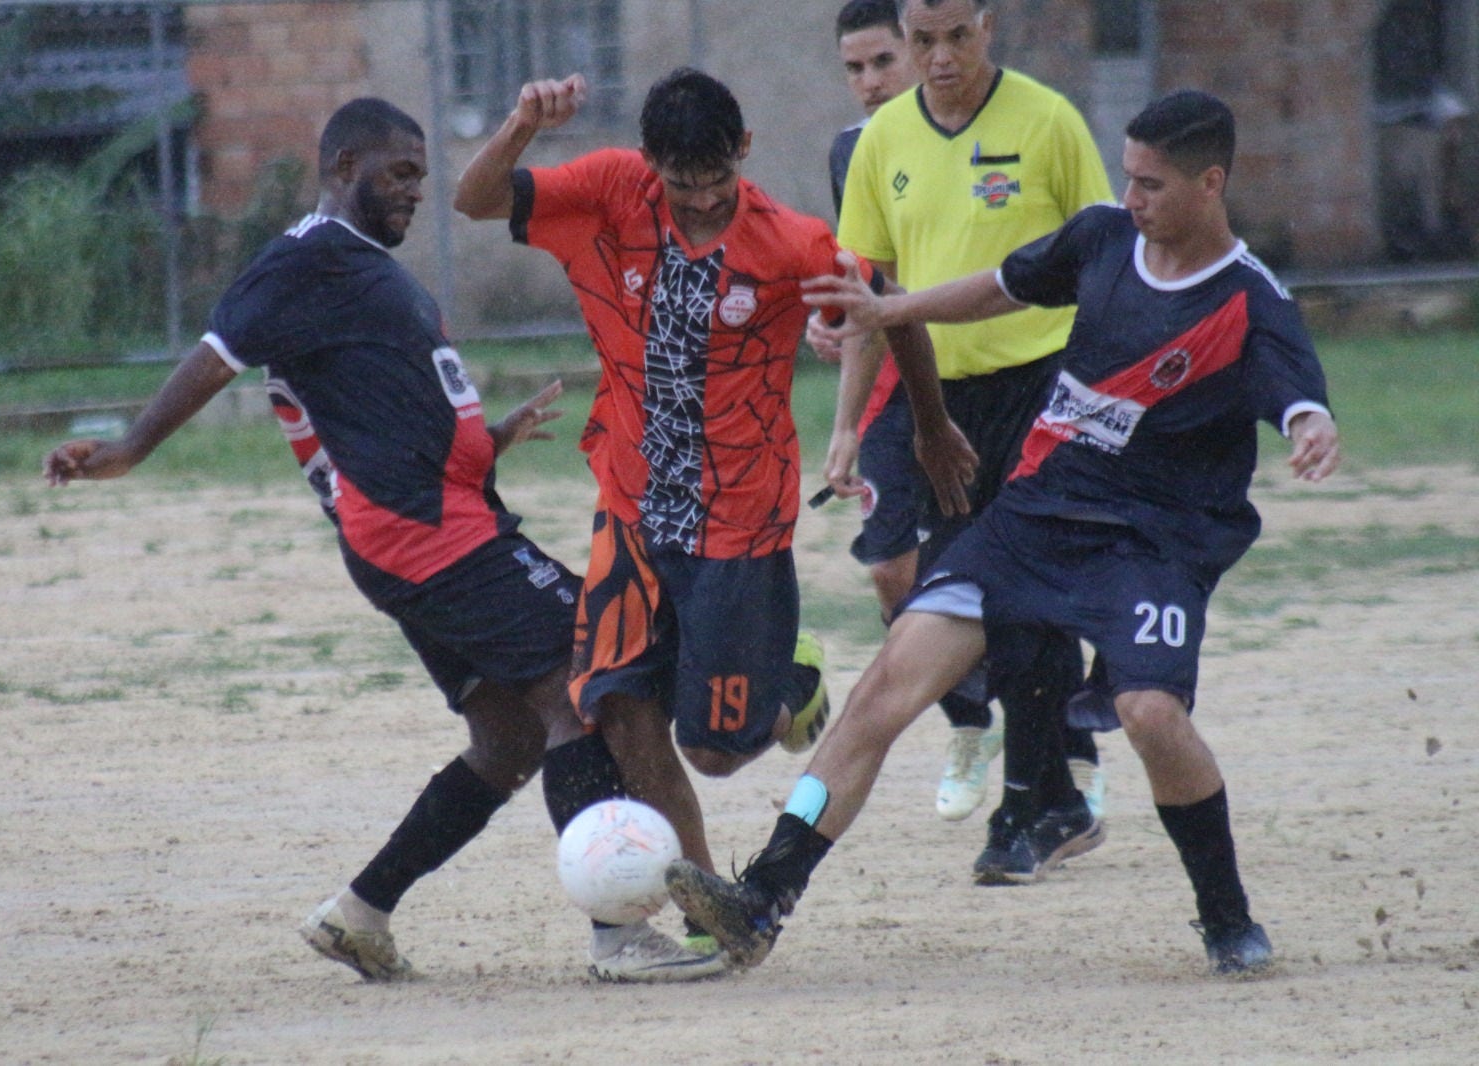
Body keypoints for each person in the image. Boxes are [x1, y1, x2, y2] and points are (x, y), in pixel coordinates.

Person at [43, 97, 727, 984]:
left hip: (426, 530)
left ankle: (360, 913)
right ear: (342, 167)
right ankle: (619, 937)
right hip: (430, 538)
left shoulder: (360, 269)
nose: (414, 190)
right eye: (398, 172)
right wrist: (131, 447)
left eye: (420, 174)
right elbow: (218, 352)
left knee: (508, 740)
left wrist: (489, 439)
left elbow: (386, 410)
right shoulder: (307, 259)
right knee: (580, 681)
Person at [667, 89, 1342, 977]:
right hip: (1031, 521)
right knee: (884, 689)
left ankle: (1228, 918)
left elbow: (1300, 395)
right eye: (1129, 177)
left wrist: (1310, 426)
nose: (1130, 198)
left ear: (1210, 183)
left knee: (1150, 714)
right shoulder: (1102, 238)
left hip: (1150, 546)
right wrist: (892, 311)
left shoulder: (1251, 302)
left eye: (1151, 184)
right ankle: (762, 899)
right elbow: (1000, 287)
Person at [454, 68, 974, 892]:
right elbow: (474, 200)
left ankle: (791, 680)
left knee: (713, 750)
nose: (699, 202)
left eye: (717, 181)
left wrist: (931, 425)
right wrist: (521, 125)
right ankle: (707, 898)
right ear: (647, 161)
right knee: (620, 712)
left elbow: (889, 308)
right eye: (680, 185)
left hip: (738, 521)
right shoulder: (608, 191)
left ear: (746, 150)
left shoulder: (790, 242)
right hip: (630, 506)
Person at [818, 0, 1113, 871]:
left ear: (987, 25)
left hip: (1044, 390)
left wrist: (1105, 400)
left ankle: (1029, 808)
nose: (940, 58)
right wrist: (846, 426)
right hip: (939, 407)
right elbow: (874, 298)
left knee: (1019, 596)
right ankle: (1052, 794)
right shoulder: (880, 144)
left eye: (956, 37)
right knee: (969, 596)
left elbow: (1108, 265)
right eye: (922, 41)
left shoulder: (1048, 121)